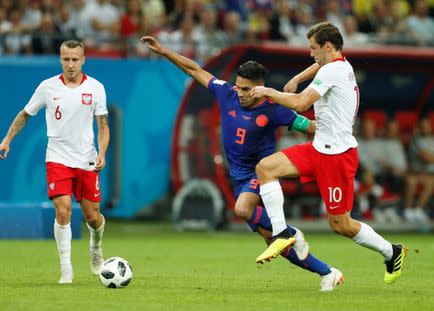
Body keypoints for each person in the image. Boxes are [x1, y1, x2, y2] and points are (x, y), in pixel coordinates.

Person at [141, 35, 343, 291]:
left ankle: (290, 232)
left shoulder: (275, 108)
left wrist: (338, 128)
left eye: (247, 89)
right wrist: (164, 51)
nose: (241, 93)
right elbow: (195, 69)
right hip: (238, 178)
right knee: (273, 243)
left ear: (260, 88)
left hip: (262, 174)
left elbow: (309, 126)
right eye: (239, 87)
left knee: (241, 209)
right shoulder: (227, 94)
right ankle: (327, 272)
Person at [250, 21, 407, 284]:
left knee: (341, 225)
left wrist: (268, 92)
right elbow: (318, 66)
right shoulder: (338, 63)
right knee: (266, 168)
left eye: (313, 48)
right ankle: (282, 234)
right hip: (317, 148)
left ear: (328, 46)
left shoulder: (334, 71)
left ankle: (392, 252)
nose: (310, 53)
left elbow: (300, 103)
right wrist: (298, 78)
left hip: (337, 157)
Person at [0, 40, 109, 284]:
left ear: (83, 60)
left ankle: (95, 246)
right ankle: (66, 268)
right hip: (57, 158)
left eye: (75, 59)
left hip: (87, 159)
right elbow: (25, 114)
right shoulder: (47, 87)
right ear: (60, 59)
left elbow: (103, 126)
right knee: (63, 209)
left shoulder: (97, 88)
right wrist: (7, 140)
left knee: (92, 217)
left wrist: (102, 153)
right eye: (66, 59)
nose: (70, 64)